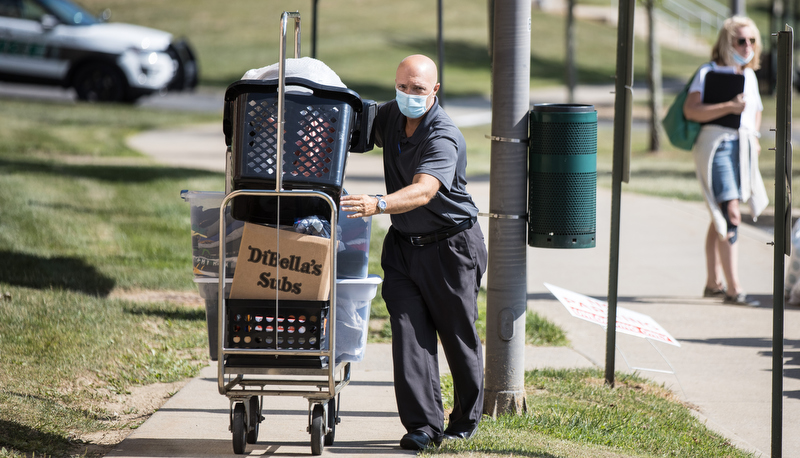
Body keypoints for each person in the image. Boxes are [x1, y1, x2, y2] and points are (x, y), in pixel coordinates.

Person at [340, 54, 487, 450]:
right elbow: (350, 125)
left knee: (457, 336)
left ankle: (465, 418)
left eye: (418, 89)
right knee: (409, 334)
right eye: (402, 87)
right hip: (405, 247)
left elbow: (424, 190)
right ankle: (423, 426)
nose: (408, 95)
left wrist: (379, 203)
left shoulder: (443, 135)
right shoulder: (392, 116)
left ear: (434, 91)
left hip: (452, 246)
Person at [683, 16, 768, 307]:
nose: (747, 46)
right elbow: (692, 110)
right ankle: (734, 289)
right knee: (731, 214)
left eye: (752, 40)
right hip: (715, 146)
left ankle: (712, 283)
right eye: (740, 40)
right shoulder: (708, 73)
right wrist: (729, 106)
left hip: (741, 147)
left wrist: (754, 136)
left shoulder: (750, 76)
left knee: (720, 213)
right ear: (726, 42)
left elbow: (755, 110)